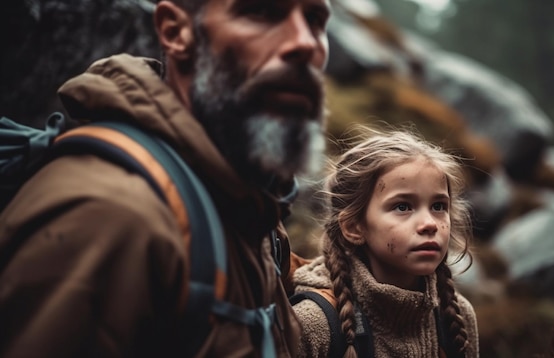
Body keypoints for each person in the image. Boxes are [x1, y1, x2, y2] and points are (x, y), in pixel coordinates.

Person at [0, 0, 331, 356]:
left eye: (314, 19)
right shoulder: (112, 216)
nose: (306, 42)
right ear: (176, 31)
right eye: (261, 12)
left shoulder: (249, 206)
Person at [292, 125, 479, 357]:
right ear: (354, 227)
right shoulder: (312, 324)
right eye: (402, 206)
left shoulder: (455, 318)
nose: (430, 223)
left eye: (439, 206)